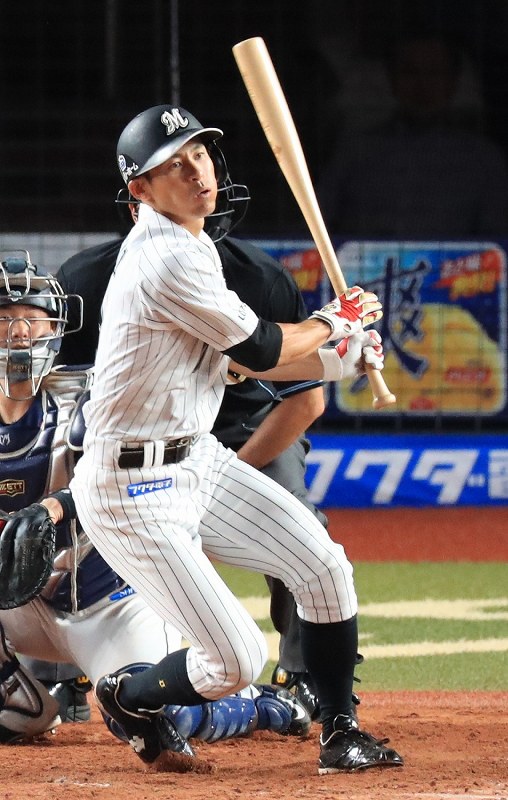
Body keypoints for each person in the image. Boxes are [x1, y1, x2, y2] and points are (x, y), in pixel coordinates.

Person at [68, 103, 401, 774]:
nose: (197, 171)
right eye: (174, 164)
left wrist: (344, 352)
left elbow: (252, 362)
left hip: (198, 460)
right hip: (131, 489)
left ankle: (342, 732)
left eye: (200, 154)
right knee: (235, 661)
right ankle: (130, 697)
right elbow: (262, 341)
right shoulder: (164, 259)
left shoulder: (193, 247)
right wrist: (335, 321)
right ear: (140, 191)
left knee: (324, 567)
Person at [0, 251, 315, 759]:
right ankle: (19, 700)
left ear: (55, 326)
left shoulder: (100, 391)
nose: (17, 332)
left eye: (28, 316)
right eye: (3, 318)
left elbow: (132, 473)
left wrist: (335, 346)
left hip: (112, 603)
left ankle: (256, 706)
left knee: (159, 716)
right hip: (23, 609)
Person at [56, 179, 337, 719]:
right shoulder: (95, 276)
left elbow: (303, 402)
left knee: (300, 528)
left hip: (249, 425)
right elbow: (67, 397)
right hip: (135, 436)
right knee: (65, 515)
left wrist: (342, 349)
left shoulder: (260, 276)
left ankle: (305, 674)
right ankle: (70, 671)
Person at [318, 31, 508, 238]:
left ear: (453, 81)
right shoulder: (356, 149)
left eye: (434, 72)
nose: (422, 85)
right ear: (391, 78)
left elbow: (497, 240)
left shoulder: (483, 159)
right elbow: (318, 221)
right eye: (410, 72)